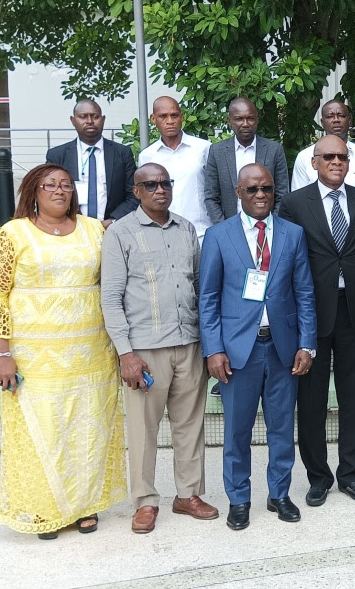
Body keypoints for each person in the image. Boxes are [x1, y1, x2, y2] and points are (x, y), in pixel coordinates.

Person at [0, 163, 126, 539]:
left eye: (66, 185)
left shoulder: (94, 229)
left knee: (88, 429)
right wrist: (2, 353)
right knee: (43, 430)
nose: (60, 191)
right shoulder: (13, 234)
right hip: (33, 357)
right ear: (34, 191)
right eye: (50, 185)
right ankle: (44, 511)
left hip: (91, 355)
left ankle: (85, 506)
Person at [199, 163, 317, 530]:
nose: (261, 195)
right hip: (238, 352)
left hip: (282, 349)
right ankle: (239, 498)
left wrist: (307, 344)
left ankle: (279, 494)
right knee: (237, 430)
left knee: (282, 428)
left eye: (266, 188)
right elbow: (208, 298)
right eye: (252, 189)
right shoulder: (219, 236)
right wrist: (213, 350)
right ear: (238, 192)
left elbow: (304, 292)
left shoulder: (292, 234)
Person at [101, 163, 217, 534]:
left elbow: (200, 286)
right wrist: (125, 353)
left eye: (165, 183)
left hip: (189, 344)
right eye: (150, 184)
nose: (160, 189)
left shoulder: (186, 229)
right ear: (136, 191)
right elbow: (110, 297)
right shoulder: (120, 233)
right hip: (144, 351)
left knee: (189, 426)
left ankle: (188, 495)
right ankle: (146, 501)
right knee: (143, 430)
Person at [278, 135, 355, 506]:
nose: (337, 161)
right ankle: (318, 477)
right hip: (311, 314)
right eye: (329, 157)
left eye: (343, 156)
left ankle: (351, 475)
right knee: (311, 401)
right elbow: (286, 264)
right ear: (314, 162)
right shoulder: (292, 204)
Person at [45, 99, 138, 225]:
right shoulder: (57, 155)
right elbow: (49, 194)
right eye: (83, 117)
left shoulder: (122, 153)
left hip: (113, 228)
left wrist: (112, 221)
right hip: (70, 227)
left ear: (103, 119)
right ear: (73, 120)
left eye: (95, 116)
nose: (89, 121)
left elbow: (134, 195)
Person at [204, 97, 291, 224]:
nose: (245, 124)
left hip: (268, 227)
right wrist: (224, 228)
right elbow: (211, 197)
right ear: (230, 121)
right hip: (230, 226)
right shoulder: (217, 151)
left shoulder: (274, 150)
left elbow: (282, 194)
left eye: (250, 118)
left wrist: (273, 225)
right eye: (239, 119)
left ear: (257, 120)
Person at [139, 96, 213, 240]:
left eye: (174, 115)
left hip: (202, 233)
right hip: (164, 234)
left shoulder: (203, 148)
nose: (170, 121)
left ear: (182, 117)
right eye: (163, 116)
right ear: (153, 119)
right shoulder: (147, 156)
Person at [290, 100, 355, 190]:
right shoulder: (305, 157)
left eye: (341, 116)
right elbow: (298, 198)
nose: (336, 120)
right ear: (322, 122)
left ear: (350, 121)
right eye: (330, 116)